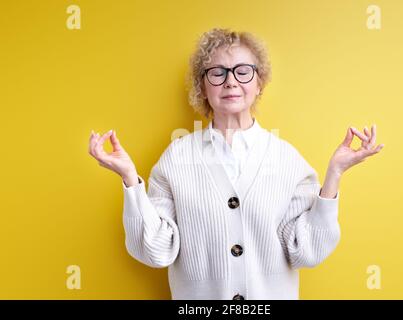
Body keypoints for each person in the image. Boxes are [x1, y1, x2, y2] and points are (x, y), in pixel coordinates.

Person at [88, 28, 384, 300]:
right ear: (202, 87)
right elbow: (156, 250)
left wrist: (334, 175)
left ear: (259, 83)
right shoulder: (175, 159)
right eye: (217, 72)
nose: (231, 81)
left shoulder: (288, 160)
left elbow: (306, 251)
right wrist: (129, 179)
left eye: (243, 71)